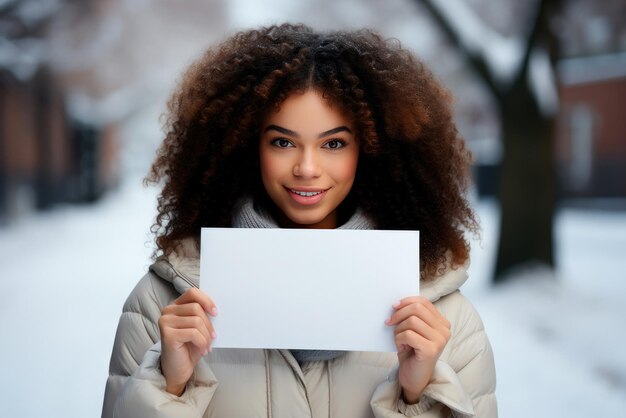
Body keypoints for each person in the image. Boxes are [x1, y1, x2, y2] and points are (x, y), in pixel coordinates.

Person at [102, 24, 497, 417]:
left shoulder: (444, 322)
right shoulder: (162, 307)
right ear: (246, 146)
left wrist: (417, 396)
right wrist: (168, 386)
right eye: (283, 142)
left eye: (333, 144)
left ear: (371, 150)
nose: (307, 168)